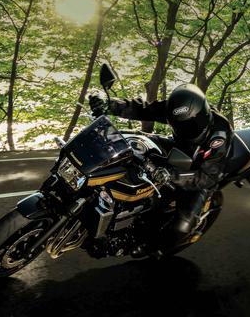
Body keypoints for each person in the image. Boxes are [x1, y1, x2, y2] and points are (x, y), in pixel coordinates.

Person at [89, 83, 232, 255]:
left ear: (204, 114)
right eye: (180, 126)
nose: (185, 130)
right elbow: (142, 109)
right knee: (135, 140)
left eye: (190, 125)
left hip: (201, 171)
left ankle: (153, 247)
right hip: (177, 148)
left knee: (182, 226)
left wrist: (171, 175)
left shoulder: (220, 133)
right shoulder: (174, 109)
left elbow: (208, 177)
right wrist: (109, 105)